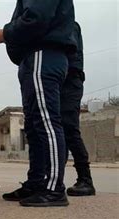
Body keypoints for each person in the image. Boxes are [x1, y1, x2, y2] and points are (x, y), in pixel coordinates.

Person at [0, 0, 77, 206]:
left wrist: (6, 33)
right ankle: (37, 183)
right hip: (34, 59)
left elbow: (36, 18)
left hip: (43, 55)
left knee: (47, 123)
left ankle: (54, 188)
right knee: (34, 125)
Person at [63, 22, 95, 196]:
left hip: (71, 79)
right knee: (58, 129)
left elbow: (68, 47)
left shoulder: (69, 25)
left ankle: (86, 180)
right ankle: (55, 180)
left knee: (69, 128)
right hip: (63, 80)